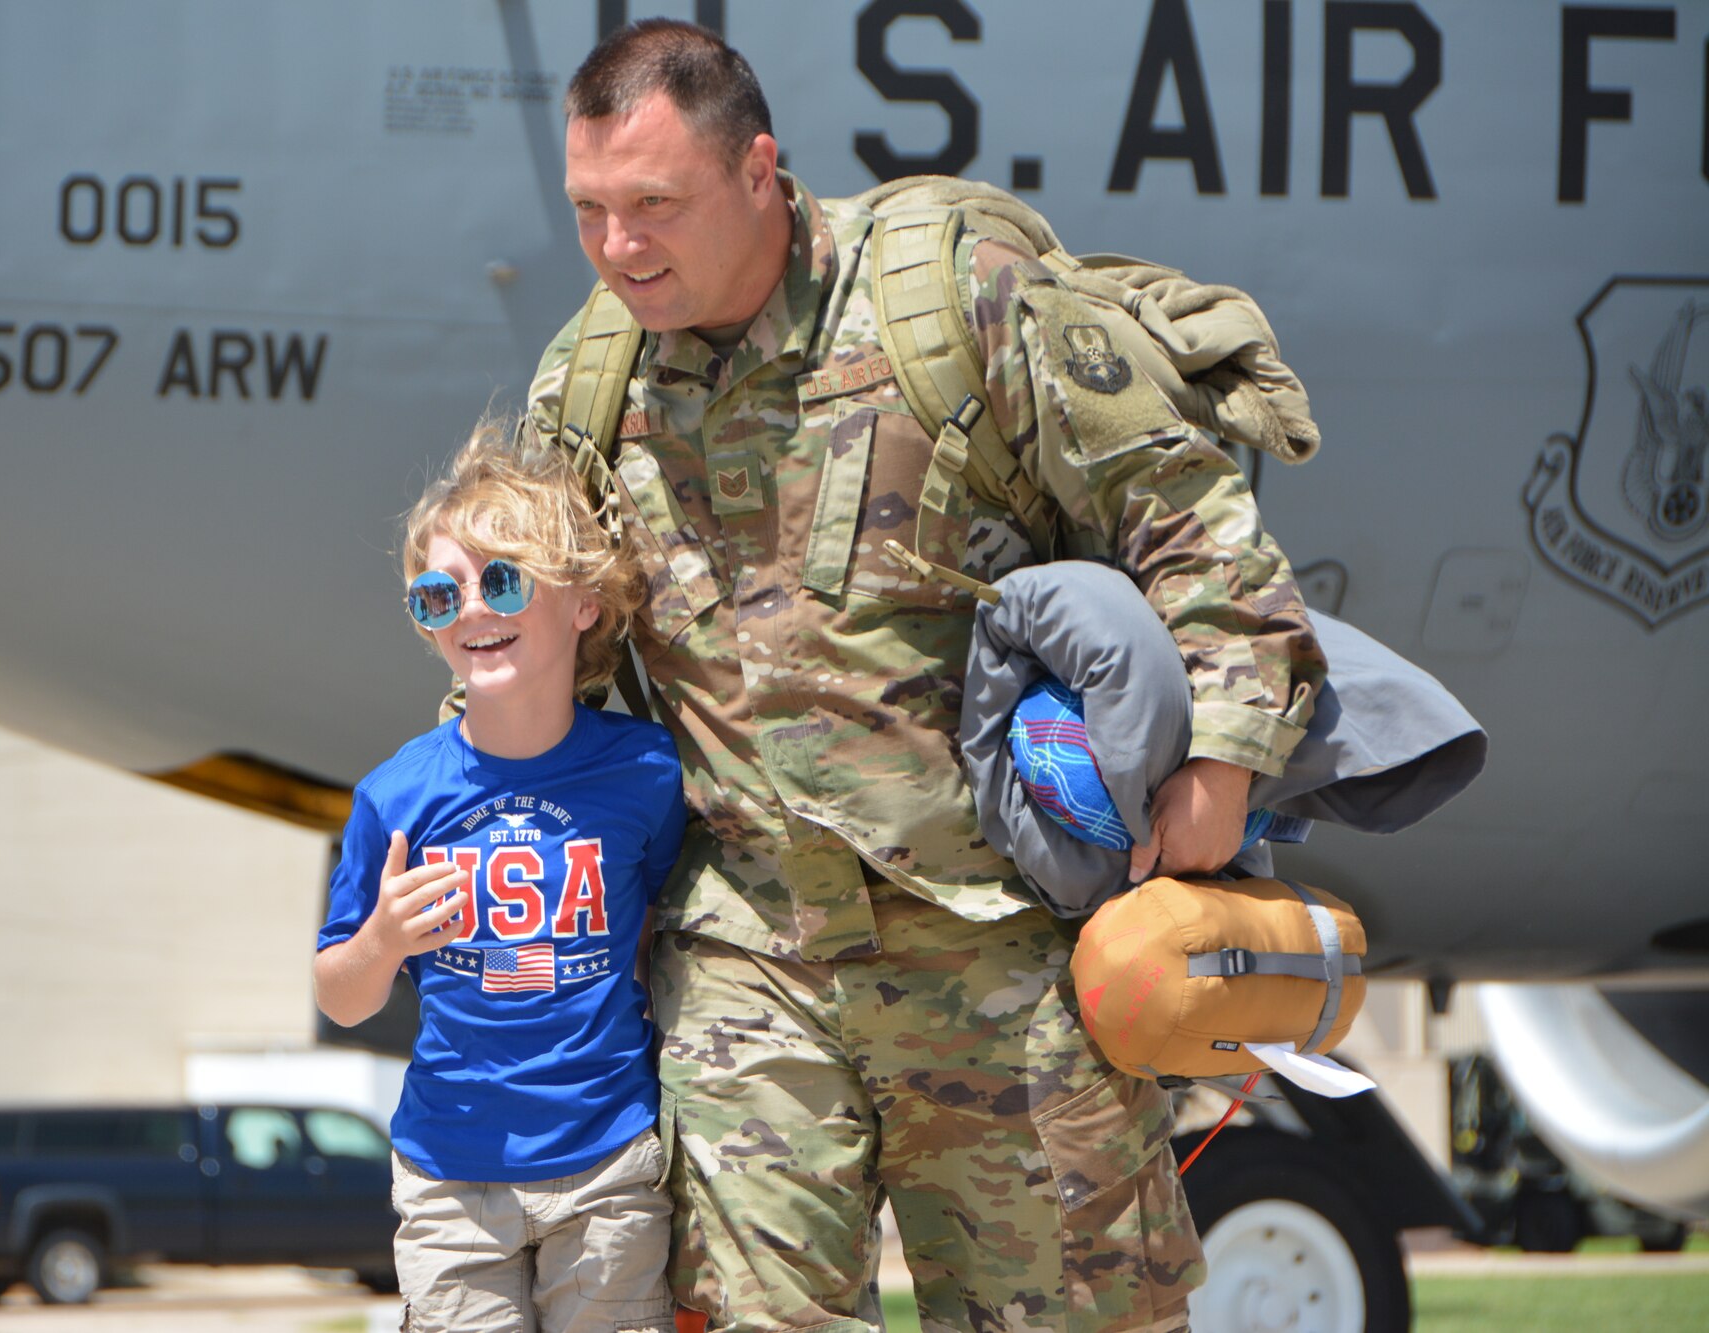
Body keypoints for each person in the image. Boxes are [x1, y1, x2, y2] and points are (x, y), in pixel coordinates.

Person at [526, 20, 1328, 1333]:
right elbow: (538, 659)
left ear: (755, 170)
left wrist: (1226, 758)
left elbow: (1188, 517)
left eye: (654, 204)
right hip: (750, 966)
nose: (621, 247)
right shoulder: (592, 383)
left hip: (1003, 957)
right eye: (590, 210)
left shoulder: (957, 295)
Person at [314, 418, 686, 1333]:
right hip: (449, 1175)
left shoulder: (647, 773)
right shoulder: (395, 795)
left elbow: (663, 936)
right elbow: (342, 995)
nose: (473, 609)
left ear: (585, 603)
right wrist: (383, 940)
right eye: (439, 595)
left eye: (504, 580)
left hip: (606, 1166)